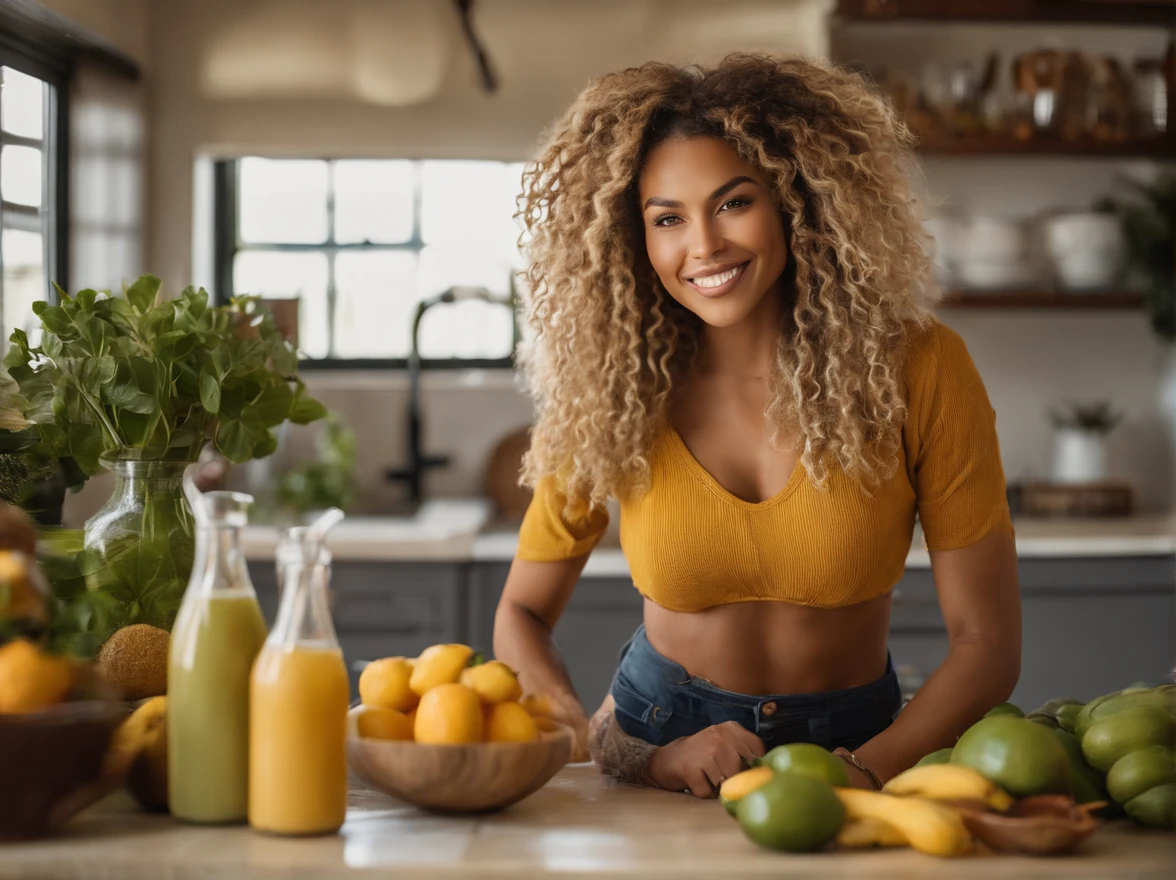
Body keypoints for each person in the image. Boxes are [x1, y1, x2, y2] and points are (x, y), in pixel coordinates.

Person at [494, 53, 1021, 796]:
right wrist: (601, 744)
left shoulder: (921, 366)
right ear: (634, 238)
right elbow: (520, 612)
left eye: (733, 203)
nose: (703, 245)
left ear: (795, 202)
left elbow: (987, 644)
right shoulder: (609, 388)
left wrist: (869, 769)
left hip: (867, 747)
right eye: (667, 219)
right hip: (657, 734)